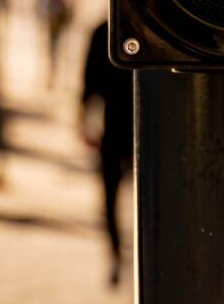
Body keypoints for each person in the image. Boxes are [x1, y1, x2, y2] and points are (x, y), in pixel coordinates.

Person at [81, 21, 133, 287]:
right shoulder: (106, 31)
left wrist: (84, 120)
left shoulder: (103, 31)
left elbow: (88, 83)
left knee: (110, 195)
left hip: (114, 123)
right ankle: (118, 251)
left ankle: (116, 252)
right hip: (135, 124)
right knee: (118, 194)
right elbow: (88, 82)